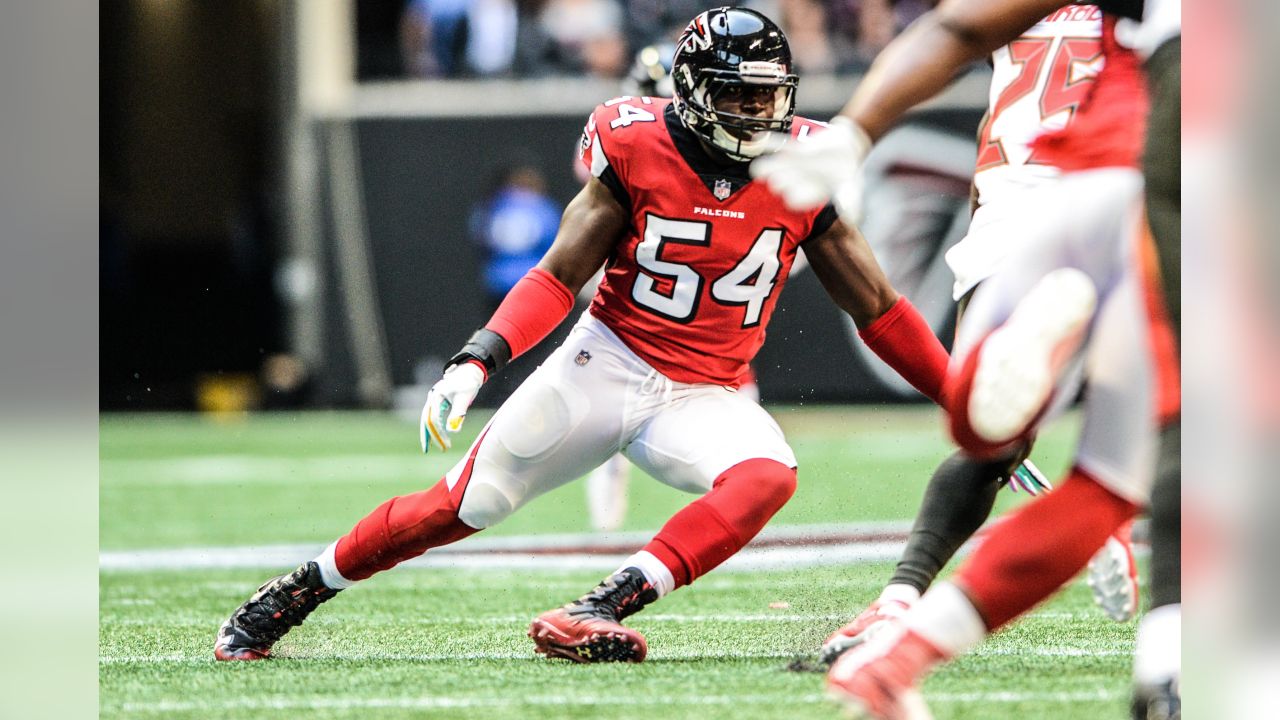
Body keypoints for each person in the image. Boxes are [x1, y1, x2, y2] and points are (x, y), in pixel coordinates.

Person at [212, 7, 953, 665]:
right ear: (693, 94)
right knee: (464, 507)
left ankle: (597, 608)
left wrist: (962, 402)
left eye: (770, 94)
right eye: (738, 94)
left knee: (767, 475)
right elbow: (558, 275)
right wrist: (479, 357)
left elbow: (879, 308)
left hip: (704, 392)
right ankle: (300, 590)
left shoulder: (803, 162)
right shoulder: (635, 145)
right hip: (606, 366)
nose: (759, 112)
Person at [751, 0, 1176, 716]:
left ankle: (896, 650)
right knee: (1176, 459)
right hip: (1155, 191)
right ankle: (1173, 664)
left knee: (1001, 446)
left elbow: (956, 29)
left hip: (1033, 203)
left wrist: (854, 133)